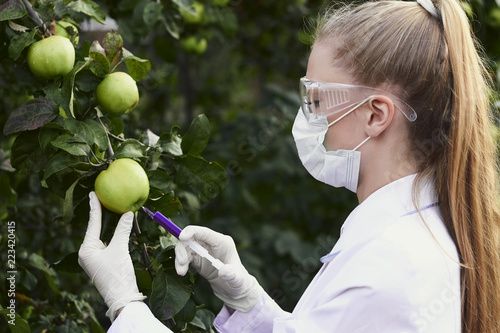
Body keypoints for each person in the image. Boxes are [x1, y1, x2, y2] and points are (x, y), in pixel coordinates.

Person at [78, 0, 500, 331]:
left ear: (375, 115)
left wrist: (126, 306)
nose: (307, 121)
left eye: (316, 101)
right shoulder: (415, 235)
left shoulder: (389, 267)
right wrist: (251, 303)